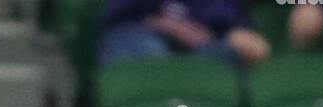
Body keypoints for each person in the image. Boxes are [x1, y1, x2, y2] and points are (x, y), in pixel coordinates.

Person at [96, 0, 273, 67]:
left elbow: (234, 28)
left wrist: (237, 37)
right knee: (148, 51)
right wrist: (179, 29)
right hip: (138, 34)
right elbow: (121, 15)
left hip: (205, 44)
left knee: (222, 58)